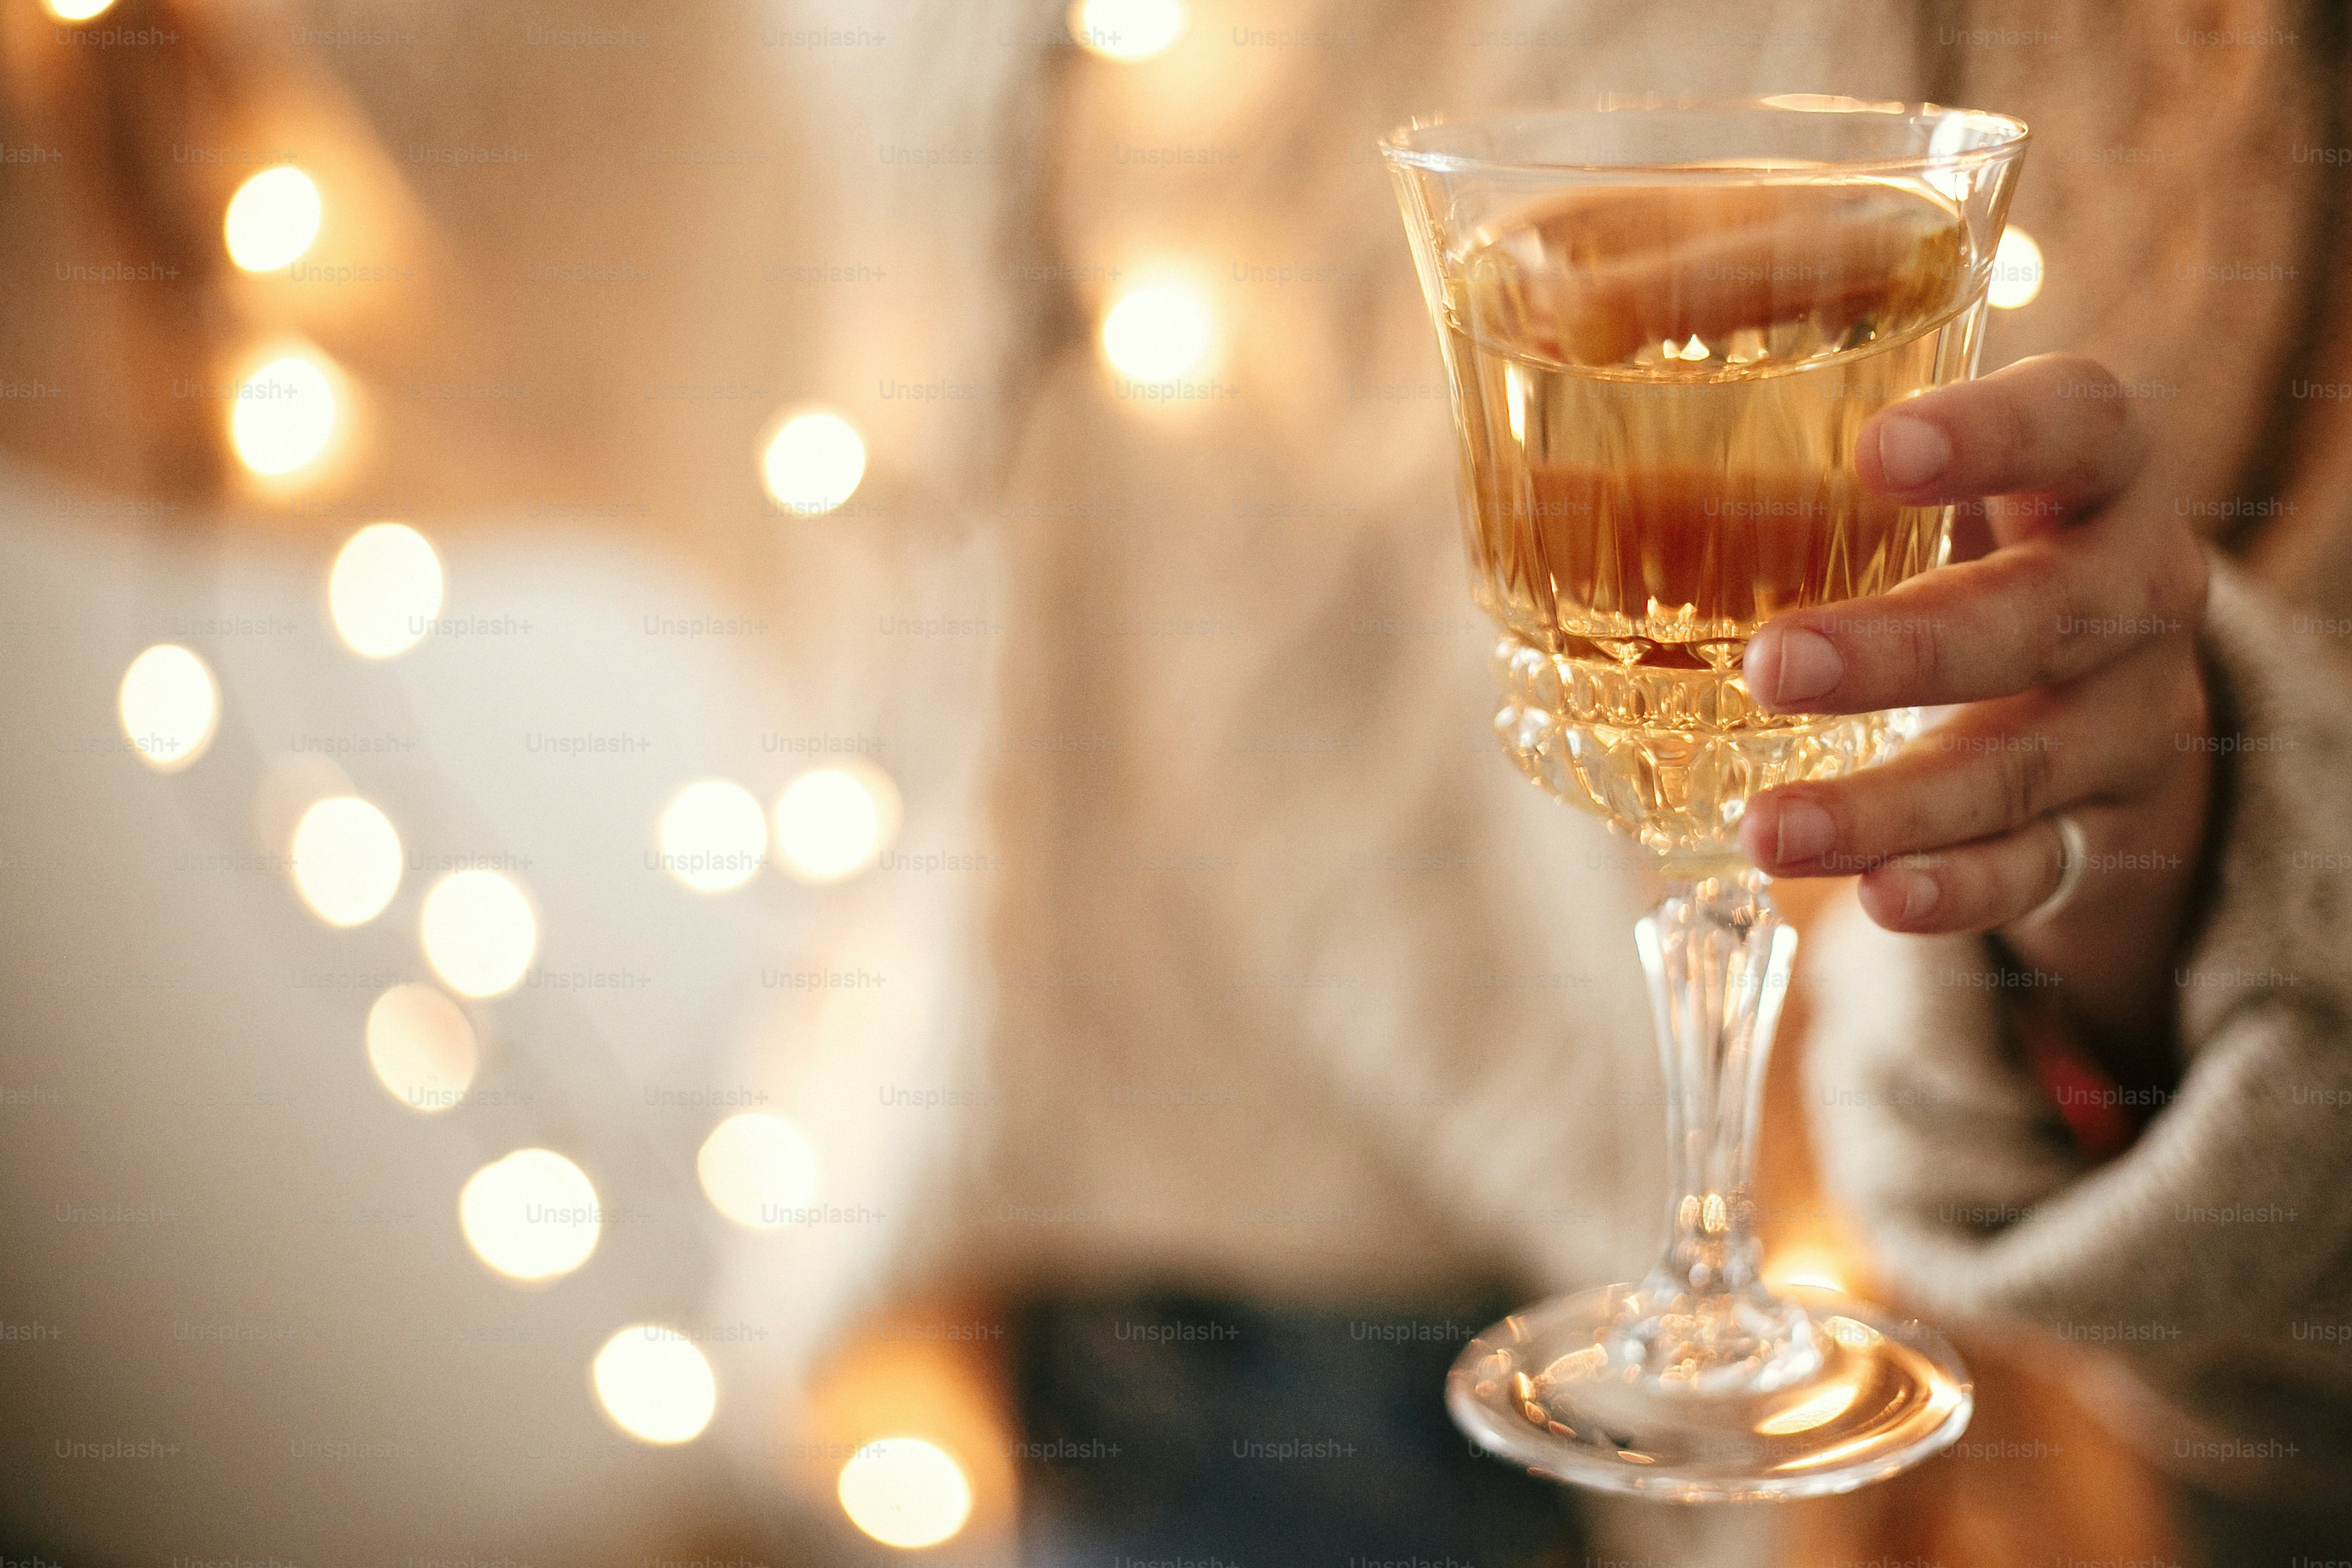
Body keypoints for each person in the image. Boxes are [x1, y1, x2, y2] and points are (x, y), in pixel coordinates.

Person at [0, 2, 2345, 1565]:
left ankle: (1714, 1281)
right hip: (1130, 1397)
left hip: (1928, 1484)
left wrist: (2168, 895)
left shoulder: (2178, 61)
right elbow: (277, 197)